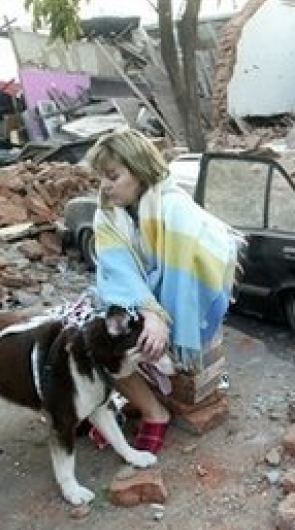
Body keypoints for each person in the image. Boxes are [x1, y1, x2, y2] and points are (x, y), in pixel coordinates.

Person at [85, 129, 241, 454]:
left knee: (139, 342)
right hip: (136, 298)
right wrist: (150, 311)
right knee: (97, 340)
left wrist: (163, 315)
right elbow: (117, 270)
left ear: (139, 170)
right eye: (101, 177)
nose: (105, 185)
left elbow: (197, 266)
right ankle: (152, 411)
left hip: (176, 300)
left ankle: (148, 403)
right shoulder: (107, 215)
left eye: (112, 176)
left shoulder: (175, 207)